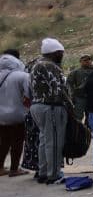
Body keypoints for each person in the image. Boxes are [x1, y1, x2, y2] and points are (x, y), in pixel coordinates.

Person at [29, 38, 72, 185]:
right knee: (54, 142)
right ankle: (53, 175)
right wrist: (70, 106)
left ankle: (43, 172)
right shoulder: (50, 66)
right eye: (61, 52)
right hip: (51, 107)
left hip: (37, 106)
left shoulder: (35, 64)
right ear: (55, 53)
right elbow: (59, 89)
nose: (62, 55)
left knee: (45, 140)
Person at [0, 51, 32, 177]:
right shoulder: (21, 76)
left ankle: (0, 167)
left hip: (0, 116)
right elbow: (29, 94)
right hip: (17, 114)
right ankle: (14, 169)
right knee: (17, 141)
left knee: (3, 141)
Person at [66, 55, 93, 123]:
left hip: (92, 98)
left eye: (89, 60)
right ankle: (78, 131)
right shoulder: (75, 72)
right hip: (80, 97)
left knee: (91, 117)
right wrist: (72, 95)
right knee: (78, 117)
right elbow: (69, 84)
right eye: (85, 60)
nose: (87, 62)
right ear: (80, 62)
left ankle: (88, 131)